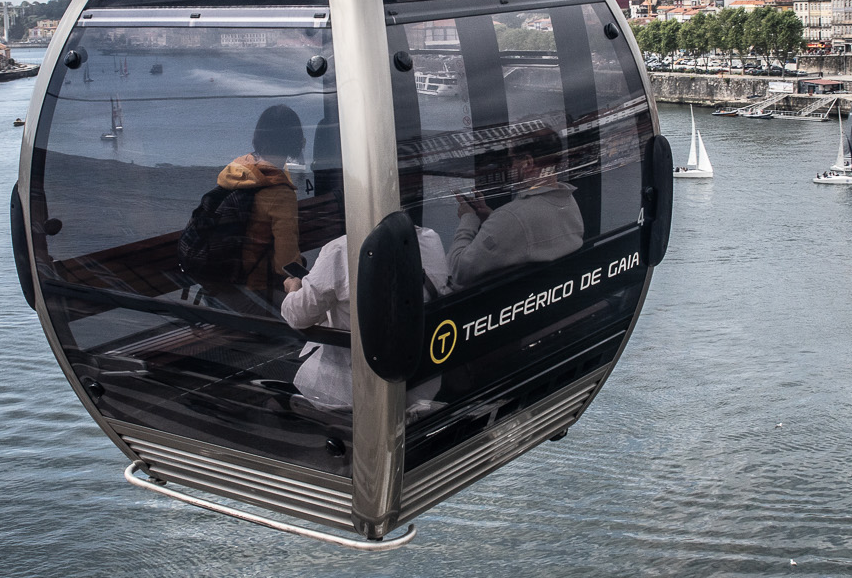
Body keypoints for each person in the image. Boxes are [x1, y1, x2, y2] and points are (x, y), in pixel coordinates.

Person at [281, 229, 449, 413]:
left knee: (276, 401)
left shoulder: (341, 250)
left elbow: (298, 315)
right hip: (420, 386)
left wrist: (293, 288)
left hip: (350, 391)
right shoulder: (430, 239)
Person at [449, 129, 584, 290]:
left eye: (512, 160)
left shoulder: (512, 217)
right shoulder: (568, 201)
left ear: (527, 163)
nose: (510, 167)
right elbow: (530, 232)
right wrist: (491, 217)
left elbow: (459, 271)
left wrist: (468, 219)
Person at [211, 105, 305, 295]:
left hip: (219, 281)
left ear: (259, 136)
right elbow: (285, 264)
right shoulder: (279, 191)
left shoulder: (240, 168)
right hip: (255, 289)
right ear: (295, 140)